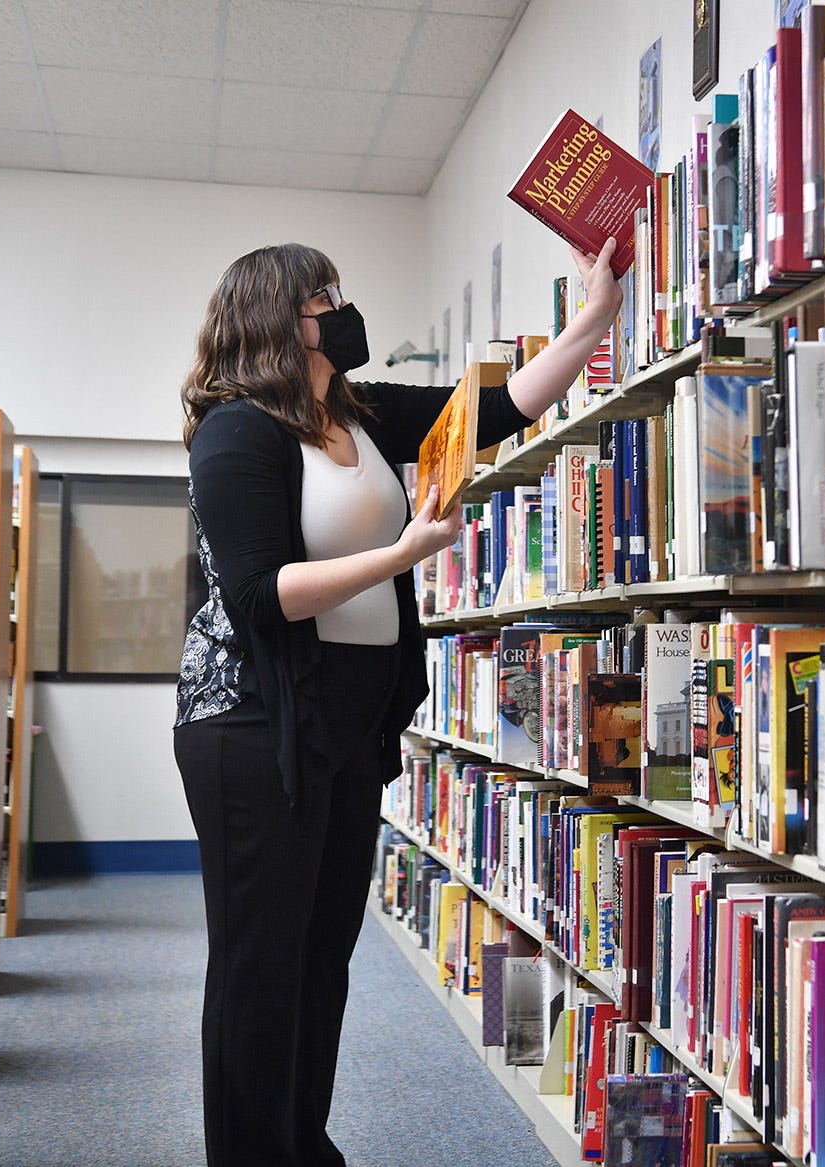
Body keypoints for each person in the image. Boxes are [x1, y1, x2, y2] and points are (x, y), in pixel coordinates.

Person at [174, 237, 622, 1167]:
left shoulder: (359, 415)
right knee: (262, 967)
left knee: (322, 954)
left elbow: (495, 410)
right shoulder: (236, 430)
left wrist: (595, 316)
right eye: (324, 295)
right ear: (276, 314)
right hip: (256, 726)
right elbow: (262, 595)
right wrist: (408, 552)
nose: (343, 307)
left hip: (347, 723)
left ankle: (303, 1143)